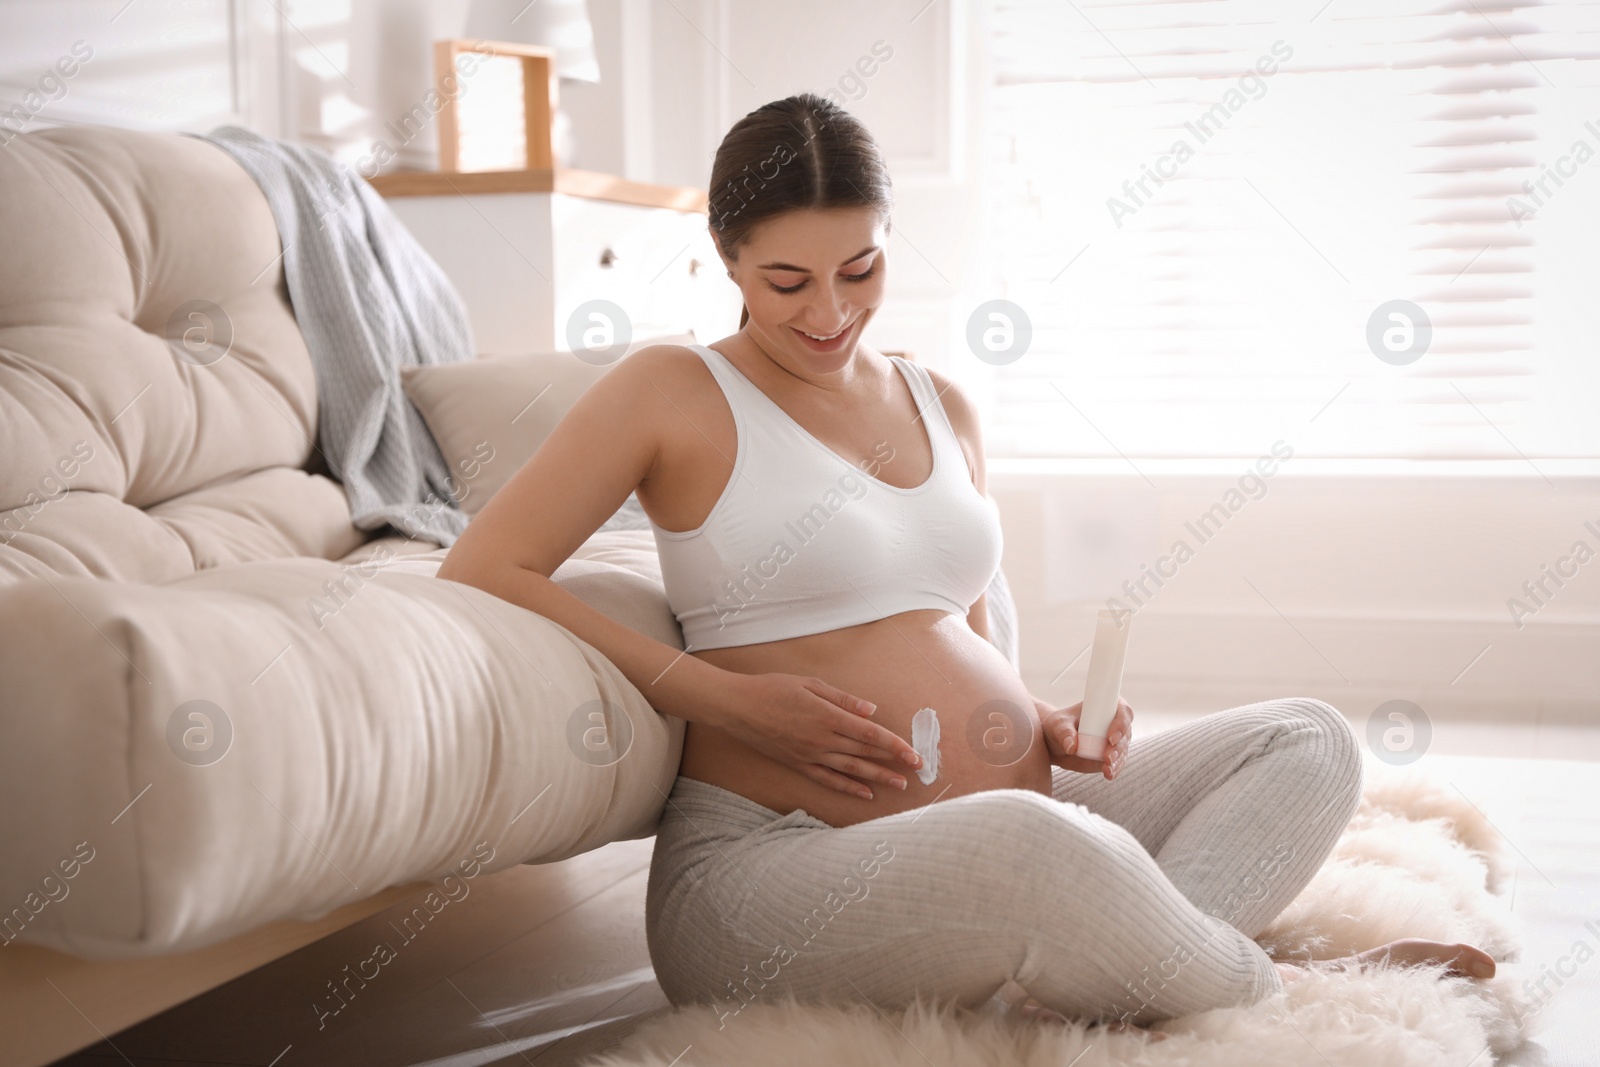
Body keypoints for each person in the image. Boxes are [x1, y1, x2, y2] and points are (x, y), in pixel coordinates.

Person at [436, 92, 1496, 1032]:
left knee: (1305, 739)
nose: (828, 311)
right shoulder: (670, 388)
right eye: (785, 280)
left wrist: (1045, 722)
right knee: (1033, 844)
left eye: (860, 268)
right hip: (771, 866)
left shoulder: (941, 403)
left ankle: (1138, 964)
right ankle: (1269, 980)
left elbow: (958, 628)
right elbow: (487, 565)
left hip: (1020, 815)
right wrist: (726, 699)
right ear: (726, 261)